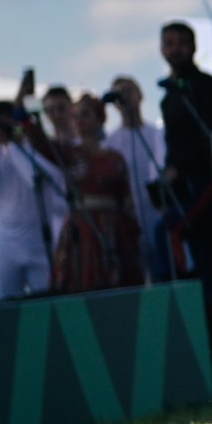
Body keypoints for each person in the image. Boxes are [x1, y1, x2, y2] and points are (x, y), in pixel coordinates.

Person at [157, 22, 212, 368]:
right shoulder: (168, 95)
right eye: (167, 43)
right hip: (180, 191)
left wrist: (179, 165)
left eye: (179, 43)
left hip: (206, 189)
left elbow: (209, 139)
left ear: (192, 48)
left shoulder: (207, 88)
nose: (173, 50)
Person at [47, 93, 147, 293]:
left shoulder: (114, 158)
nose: (80, 121)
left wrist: (131, 237)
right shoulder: (71, 155)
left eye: (85, 114)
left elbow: (127, 202)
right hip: (81, 230)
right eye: (75, 116)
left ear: (99, 119)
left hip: (112, 230)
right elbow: (41, 144)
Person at [0, 100, 68, 298]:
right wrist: (0, 145)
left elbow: (34, 177)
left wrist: (14, 142)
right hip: (4, 244)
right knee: (6, 305)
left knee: (46, 301)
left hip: (38, 242)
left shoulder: (31, 153)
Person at [104, 76, 169, 280]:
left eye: (129, 91)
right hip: (129, 224)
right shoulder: (110, 144)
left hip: (157, 219)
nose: (125, 98)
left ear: (140, 94)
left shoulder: (158, 134)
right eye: (119, 94)